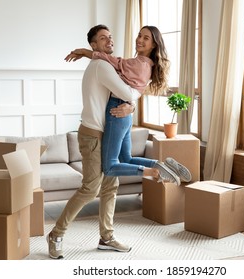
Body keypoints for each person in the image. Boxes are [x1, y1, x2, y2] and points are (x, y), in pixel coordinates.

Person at [47, 25, 184, 260]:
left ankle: (106, 237)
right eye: (102, 38)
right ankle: (56, 234)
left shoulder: (112, 64)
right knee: (91, 188)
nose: (109, 40)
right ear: (94, 45)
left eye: (110, 36)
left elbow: (133, 88)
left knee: (111, 186)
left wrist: (131, 103)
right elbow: (129, 93)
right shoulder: (102, 66)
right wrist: (131, 104)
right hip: (93, 135)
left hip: (107, 130)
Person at [65, 26, 192, 185]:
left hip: (117, 111)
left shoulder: (139, 63)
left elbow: (116, 64)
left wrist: (86, 52)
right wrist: (131, 106)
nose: (139, 40)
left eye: (146, 38)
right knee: (127, 158)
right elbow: (131, 90)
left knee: (109, 167)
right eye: (139, 35)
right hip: (125, 115)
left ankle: (153, 170)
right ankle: (161, 164)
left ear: (154, 45)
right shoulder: (146, 64)